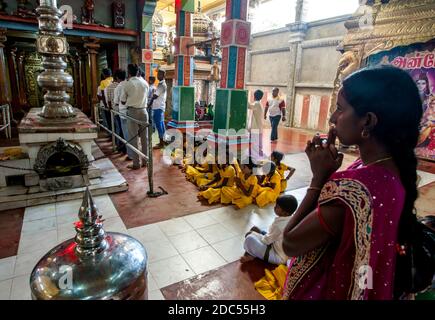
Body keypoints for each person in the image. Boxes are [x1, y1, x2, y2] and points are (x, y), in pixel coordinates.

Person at [282, 66, 422, 300]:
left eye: (340, 109)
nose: (333, 118)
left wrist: (319, 179)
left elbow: (289, 243)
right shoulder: (395, 169)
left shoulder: (355, 189)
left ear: (367, 121)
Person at [241, 195, 298, 265]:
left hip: (278, 256)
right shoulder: (292, 218)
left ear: (285, 213)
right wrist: (258, 234)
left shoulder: (279, 226)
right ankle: (252, 252)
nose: (274, 207)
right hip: (275, 244)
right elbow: (271, 236)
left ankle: (251, 255)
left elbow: (267, 241)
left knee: (249, 237)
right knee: (255, 229)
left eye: (277, 207)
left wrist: (254, 234)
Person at [120, 64, 149, 170]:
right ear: (138, 72)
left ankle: (136, 163)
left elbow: (123, 101)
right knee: (145, 138)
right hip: (144, 111)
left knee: (134, 138)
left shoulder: (128, 84)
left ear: (129, 72)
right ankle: (146, 161)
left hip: (132, 112)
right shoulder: (145, 83)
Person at [104, 70, 126, 154]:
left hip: (116, 111)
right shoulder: (127, 85)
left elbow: (109, 101)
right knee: (125, 129)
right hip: (126, 111)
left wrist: (110, 109)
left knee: (118, 128)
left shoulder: (109, 87)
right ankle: (125, 147)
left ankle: (119, 146)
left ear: (116, 77)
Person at [113, 69, 133, 159]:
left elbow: (116, 102)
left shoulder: (118, 87)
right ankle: (135, 153)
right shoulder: (130, 84)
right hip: (132, 111)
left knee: (126, 134)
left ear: (117, 77)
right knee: (133, 134)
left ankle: (130, 155)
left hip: (123, 113)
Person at [152, 70, 168, 149]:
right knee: (161, 124)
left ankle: (161, 143)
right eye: (158, 74)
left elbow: (155, 96)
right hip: (159, 107)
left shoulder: (162, 85)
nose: (158, 75)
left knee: (159, 125)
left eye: (159, 74)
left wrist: (149, 103)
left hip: (158, 107)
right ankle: (164, 140)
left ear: (163, 75)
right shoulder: (161, 84)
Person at [249, 90, 264, 158]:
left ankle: (256, 159)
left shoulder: (257, 104)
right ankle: (258, 157)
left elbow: (249, 106)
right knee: (258, 145)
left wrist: (244, 96)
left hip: (256, 129)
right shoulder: (259, 104)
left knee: (255, 146)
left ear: (254, 96)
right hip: (258, 128)